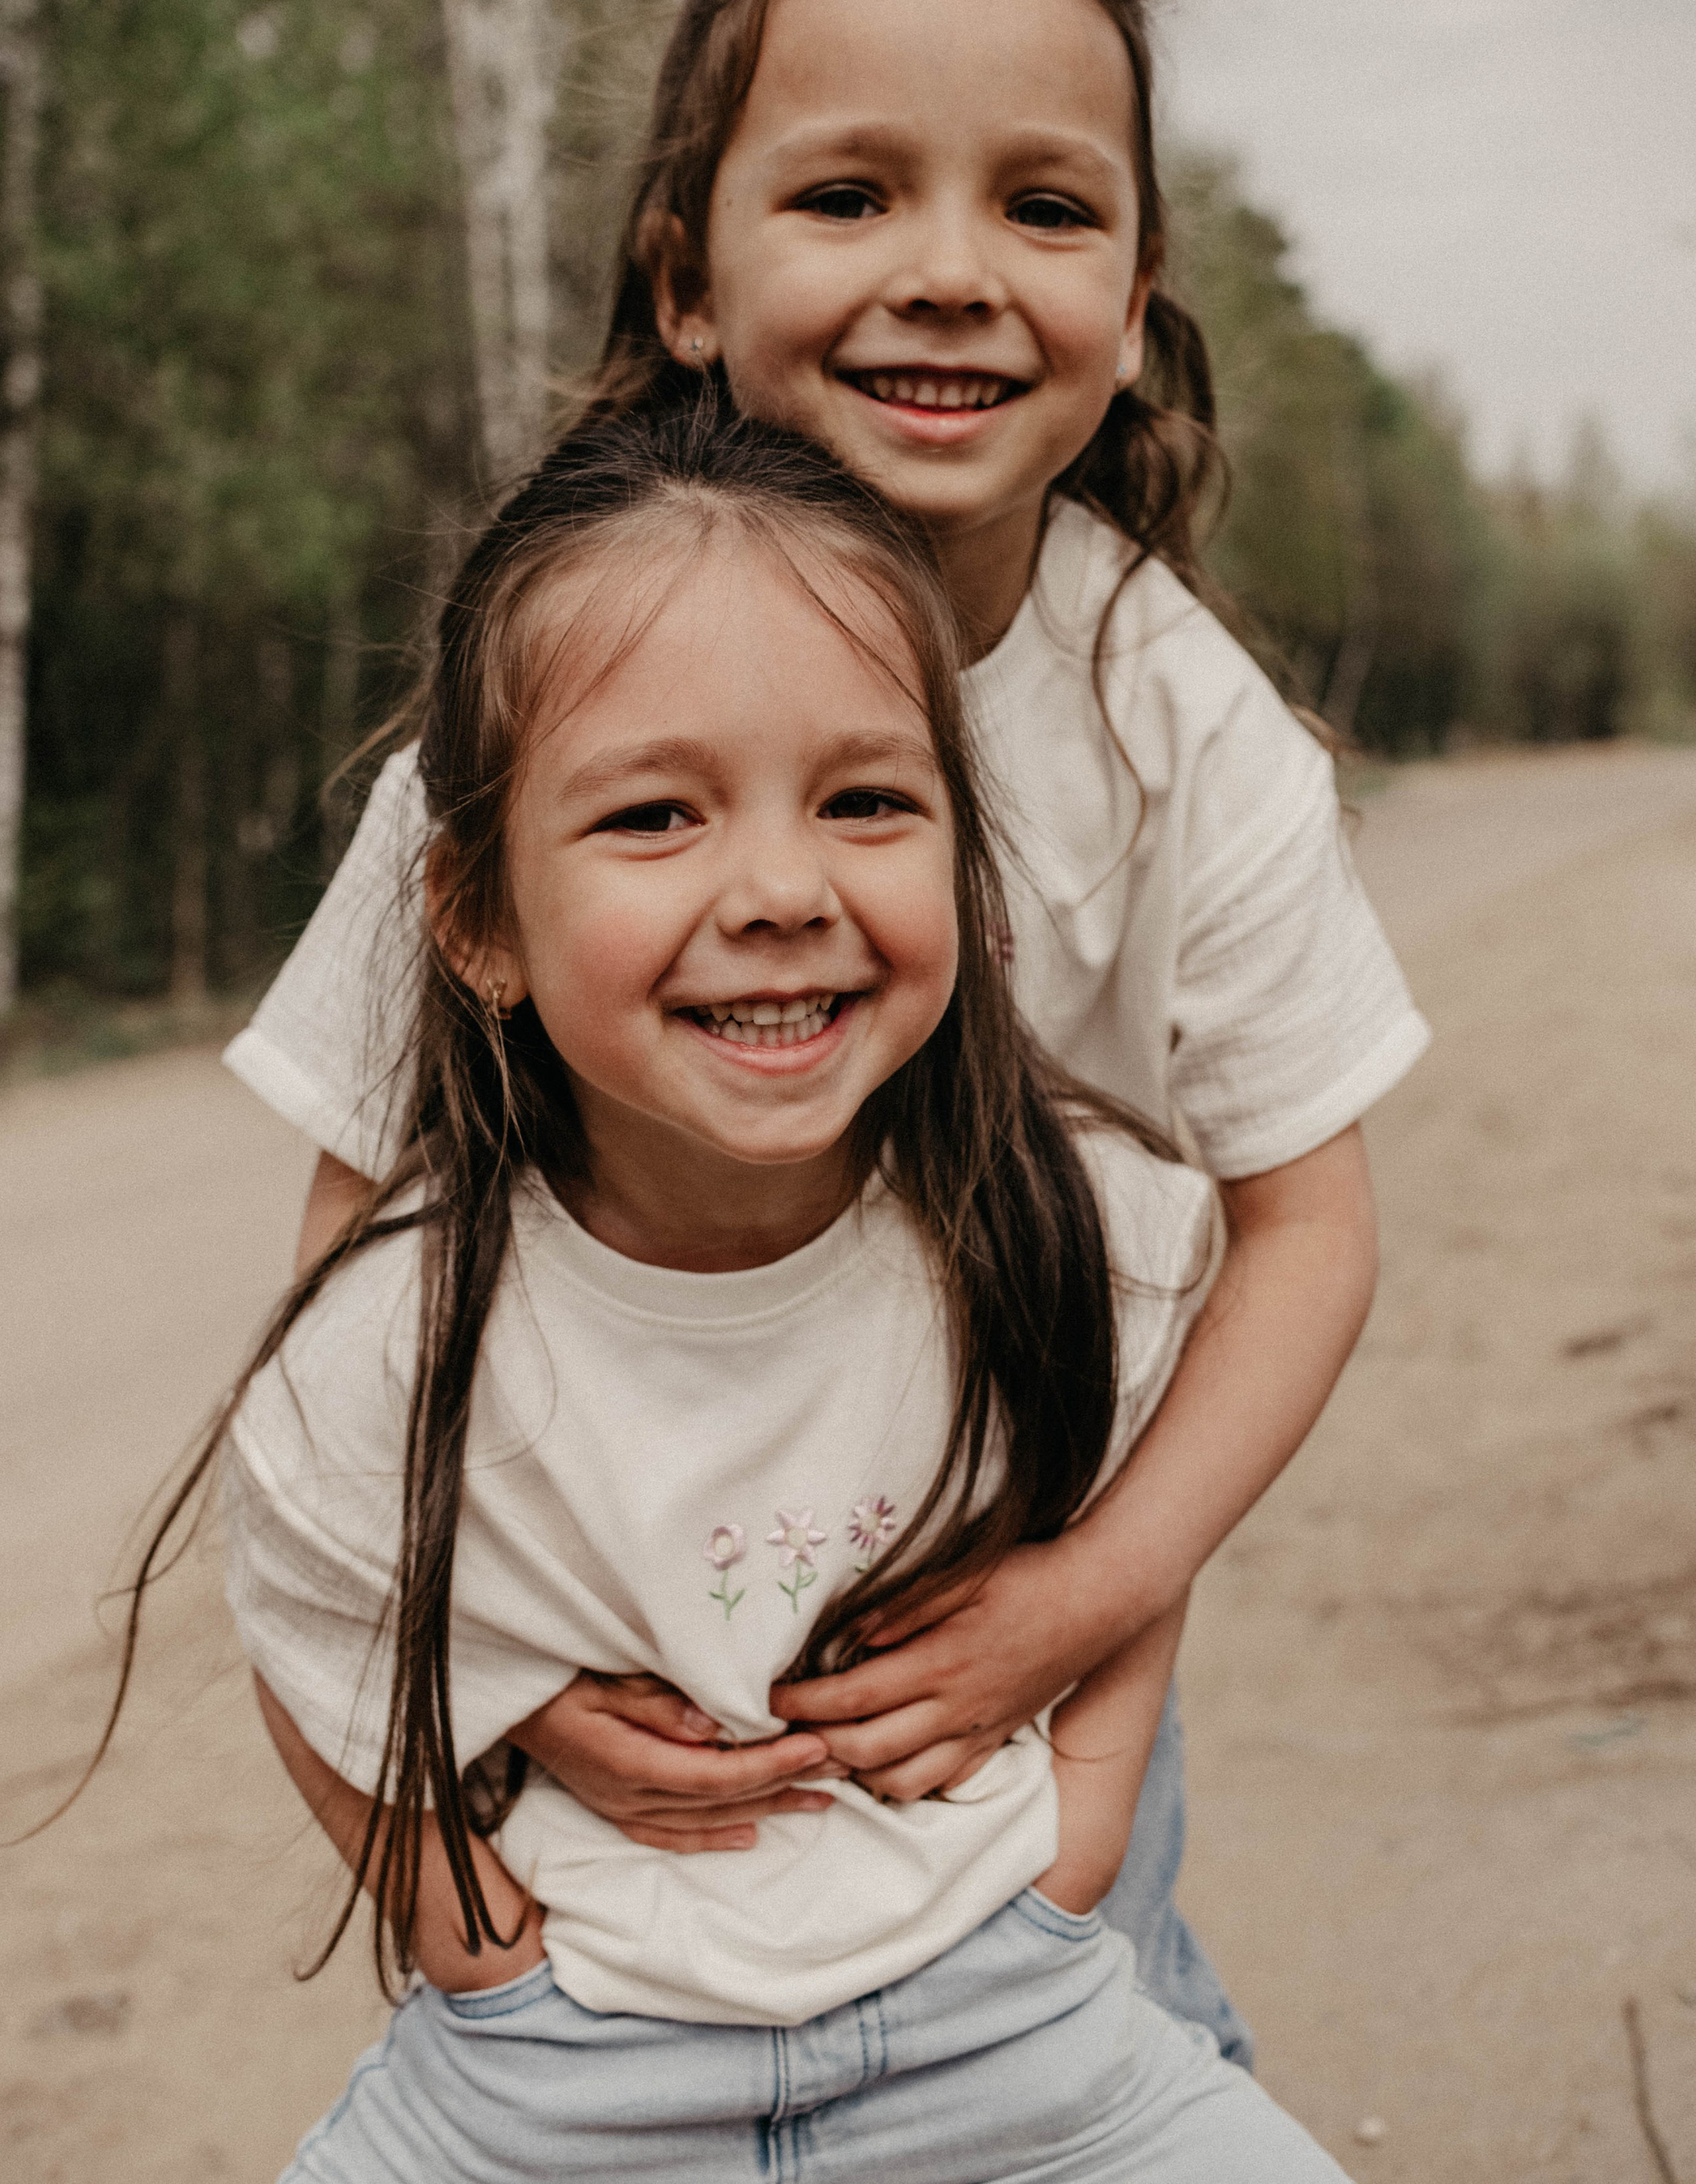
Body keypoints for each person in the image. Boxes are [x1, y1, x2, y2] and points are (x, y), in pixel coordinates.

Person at [223, 0, 1428, 2065]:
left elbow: (1309, 1233)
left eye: (1044, 209)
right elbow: (359, 1237)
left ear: (1143, 292)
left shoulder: (1188, 743)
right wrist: (487, 1665)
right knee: (629, 2087)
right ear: (687, 278)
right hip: (606, 1615)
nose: (953, 274)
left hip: (993, 1628)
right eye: (852, 196)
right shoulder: (546, 702)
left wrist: (1082, 1599)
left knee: (1083, 2048)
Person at [213, 404, 1351, 2179]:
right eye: (657, 813)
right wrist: (456, 1920)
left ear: (970, 874)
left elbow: (1143, 1485)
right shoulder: (401, 1327)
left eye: (867, 800)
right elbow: (301, 1575)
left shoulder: (1069, 1229)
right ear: (478, 918)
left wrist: (1088, 1819)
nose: (778, 890)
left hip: (1012, 2022)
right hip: (555, 2075)